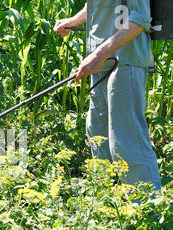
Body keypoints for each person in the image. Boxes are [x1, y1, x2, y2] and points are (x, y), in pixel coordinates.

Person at [54, 0, 161, 191]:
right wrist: (72, 21)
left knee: (126, 140)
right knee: (98, 135)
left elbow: (140, 19)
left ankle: (147, 209)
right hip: (102, 63)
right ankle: (109, 206)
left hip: (125, 60)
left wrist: (98, 55)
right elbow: (96, 5)